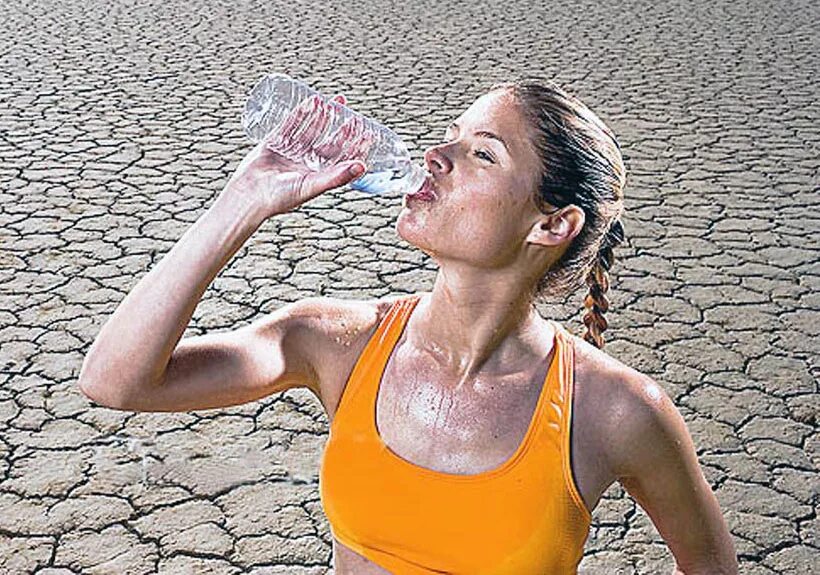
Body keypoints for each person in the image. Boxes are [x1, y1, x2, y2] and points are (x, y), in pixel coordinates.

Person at [78, 80, 738, 574]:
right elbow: (116, 380)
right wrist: (243, 202)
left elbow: (709, 564)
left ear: (552, 225)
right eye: (451, 135)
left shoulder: (615, 410)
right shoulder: (336, 341)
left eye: (482, 153)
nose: (435, 155)